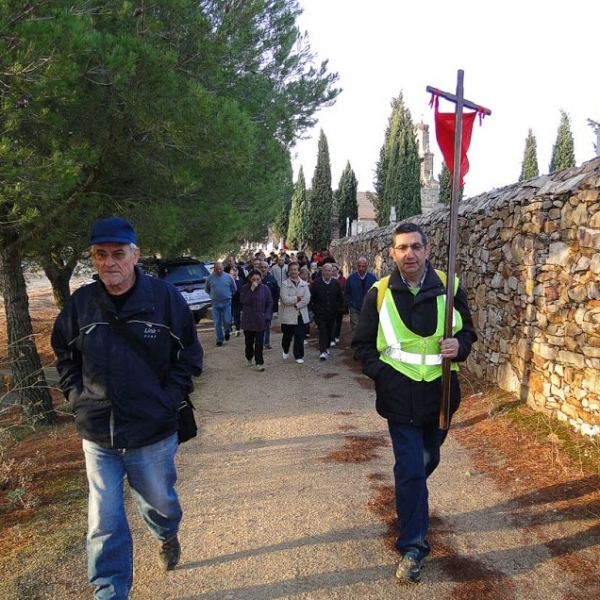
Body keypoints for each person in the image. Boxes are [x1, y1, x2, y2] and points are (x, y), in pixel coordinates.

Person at [51, 217, 204, 600]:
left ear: (135, 255)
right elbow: (64, 354)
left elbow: (189, 357)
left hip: (151, 432)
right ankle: (109, 590)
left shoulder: (165, 300)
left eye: (118, 254)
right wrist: (76, 398)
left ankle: (166, 535)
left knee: (161, 505)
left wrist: (167, 401)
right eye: (100, 255)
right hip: (98, 433)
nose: (109, 263)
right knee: (103, 519)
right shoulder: (81, 304)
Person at [351, 222, 477, 584]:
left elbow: (468, 331)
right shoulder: (378, 293)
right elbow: (362, 346)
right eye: (402, 248)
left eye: (416, 247)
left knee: (426, 461)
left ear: (427, 249)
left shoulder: (450, 287)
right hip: (399, 398)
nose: (409, 253)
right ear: (392, 253)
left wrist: (460, 346)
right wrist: (384, 376)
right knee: (410, 469)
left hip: (440, 397)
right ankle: (412, 547)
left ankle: (411, 506)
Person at [239, 268, 273, 371]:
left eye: (258, 279)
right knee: (249, 342)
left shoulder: (265, 289)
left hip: (260, 320)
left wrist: (267, 316)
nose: (256, 281)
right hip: (248, 320)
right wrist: (251, 290)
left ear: (261, 278)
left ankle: (259, 362)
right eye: (253, 279)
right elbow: (244, 301)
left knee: (259, 343)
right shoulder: (245, 288)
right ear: (250, 279)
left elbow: (270, 303)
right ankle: (249, 357)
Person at [309, 263, 343, 360]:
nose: (327, 272)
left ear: (332, 272)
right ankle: (323, 350)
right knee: (323, 330)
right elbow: (311, 297)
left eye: (329, 271)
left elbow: (339, 298)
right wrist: (312, 309)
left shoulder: (335, 283)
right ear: (322, 271)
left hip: (332, 313)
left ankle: (326, 347)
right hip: (320, 313)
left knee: (329, 330)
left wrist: (337, 308)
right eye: (325, 270)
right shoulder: (316, 283)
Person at [279, 262, 311, 363]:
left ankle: (299, 355)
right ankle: (285, 348)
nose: (293, 271)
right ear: (288, 272)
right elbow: (285, 299)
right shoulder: (284, 284)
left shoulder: (304, 284)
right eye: (291, 269)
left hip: (300, 314)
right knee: (287, 335)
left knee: (299, 336)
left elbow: (306, 298)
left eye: (295, 269)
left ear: (298, 271)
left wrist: (298, 304)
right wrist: (297, 298)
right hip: (288, 314)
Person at [205, 261, 238, 346]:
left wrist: (228, 294)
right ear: (214, 269)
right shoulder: (210, 278)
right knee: (217, 322)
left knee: (227, 320)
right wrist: (213, 295)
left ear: (223, 268)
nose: (219, 270)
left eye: (220, 269)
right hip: (215, 303)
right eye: (217, 269)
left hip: (226, 302)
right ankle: (219, 339)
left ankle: (227, 331)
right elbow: (207, 289)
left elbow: (234, 288)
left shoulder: (228, 277)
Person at [344, 257, 378, 332]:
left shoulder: (372, 279)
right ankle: (356, 343)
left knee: (368, 328)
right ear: (356, 266)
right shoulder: (351, 278)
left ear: (366, 266)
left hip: (368, 309)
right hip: (355, 308)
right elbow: (347, 293)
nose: (361, 268)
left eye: (363, 266)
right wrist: (350, 304)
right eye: (359, 266)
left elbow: (376, 293)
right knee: (355, 329)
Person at [259, 260, 280, 349]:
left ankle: (266, 342)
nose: (263, 269)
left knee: (267, 324)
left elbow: (276, 292)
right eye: (261, 267)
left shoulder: (271, 278)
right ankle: (259, 342)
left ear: (268, 268)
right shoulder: (254, 278)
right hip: (257, 306)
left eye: (265, 267)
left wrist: (274, 305)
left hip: (268, 307)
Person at [330, 264, 347, 344]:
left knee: (339, 319)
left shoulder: (342, 279)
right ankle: (332, 337)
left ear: (337, 270)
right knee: (332, 320)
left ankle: (336, 334)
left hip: (339, 302)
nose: (333, 272)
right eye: (331, 270)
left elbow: (345, 289)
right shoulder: (328, 279)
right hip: (330, 303)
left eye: (334, 270)